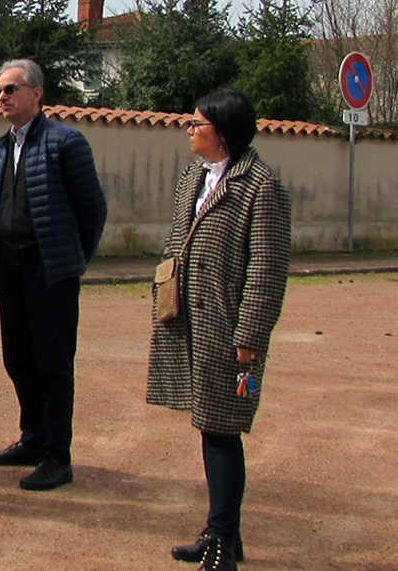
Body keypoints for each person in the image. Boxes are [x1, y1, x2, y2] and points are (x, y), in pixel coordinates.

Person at [147, 89, 291, 571]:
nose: (188, 131)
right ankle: (221, 531)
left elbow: (267, 269)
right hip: (191, 323)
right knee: (209, 426)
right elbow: (176, 240)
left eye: (197, 124)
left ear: (223, 133)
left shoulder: (261, 186)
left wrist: (249, 337)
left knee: (223, 429)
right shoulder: (194, 177)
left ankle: (223, 542)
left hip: (231, 333)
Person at [0, 58, 106, 491]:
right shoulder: (0, 148)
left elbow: (93, 209)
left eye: (11, 89)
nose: (2, 97)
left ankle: (58, 455)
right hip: (10, 269)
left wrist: (71, 258)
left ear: (36, 94)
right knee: (18, 359)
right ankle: (33, 439)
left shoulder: (66, 142)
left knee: (53, 365)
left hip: (50, 272)